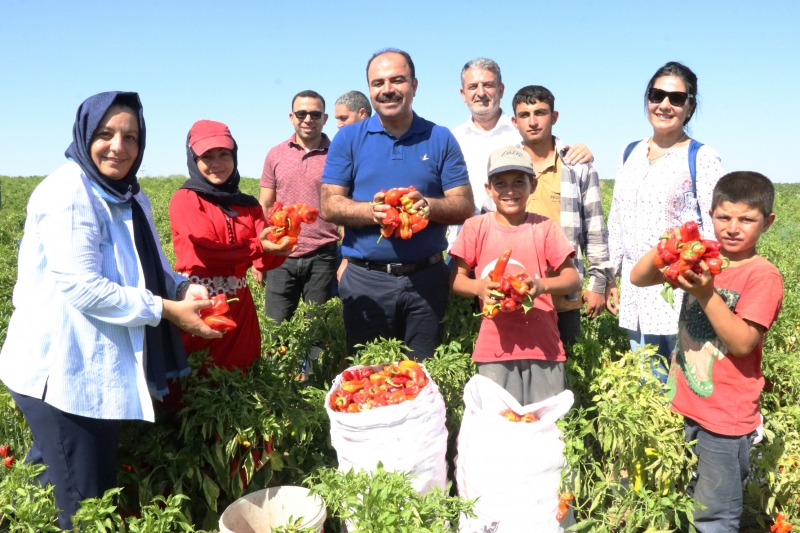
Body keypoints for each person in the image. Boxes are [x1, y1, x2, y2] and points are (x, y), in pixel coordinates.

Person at [0, 92, 221, 530]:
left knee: (47, 477)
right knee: (84, 504)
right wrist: (167, 310)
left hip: (90, 366)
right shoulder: (68, 192)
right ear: (85, 135)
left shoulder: (131, 195)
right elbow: (85, 288)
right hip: (60, 374)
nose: (118, 146)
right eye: (105, 134)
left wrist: (184, 286)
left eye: (131, 137)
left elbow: (153, 264)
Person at [630, 171, 783, 532]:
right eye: (723, 217)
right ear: (710, 213)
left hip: (725, 419)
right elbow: (639, 277)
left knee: (715, 513)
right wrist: (673, 241)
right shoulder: (701, 257)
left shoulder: (762, 275)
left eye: (747, 219)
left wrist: (705, 294)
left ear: (768, 222)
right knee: (688, 498)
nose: (732, 228)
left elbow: (743, 342)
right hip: (686, 403)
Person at [321, 48, 474, 359]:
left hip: (427, 280)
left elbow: (464, 204)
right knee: (366, 374)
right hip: (366, 280)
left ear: (414, 86)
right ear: (369, 89)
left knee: (423, 372)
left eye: (397, 80)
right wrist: (371, 211)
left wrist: (428, 207)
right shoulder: (349, 138)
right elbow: (329, 205)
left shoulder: (440, 137)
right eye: (378, 83)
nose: (387, 89)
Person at [607, 61, 724, 381]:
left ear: (690, 107)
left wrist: (705, 283)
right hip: (634, 289)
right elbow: (616, 217)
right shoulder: (628, 152)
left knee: (681, 384)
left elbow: (716, 229)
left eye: (677, 99)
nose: (665, 105)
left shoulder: (702, 157)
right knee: (644, 380)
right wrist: (609, 277)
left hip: (678, 292)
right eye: (657, 95)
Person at [450, 145, 581, 403]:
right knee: (499, 424)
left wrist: (540, 286)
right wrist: (479, 288)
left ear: (532, 186)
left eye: (519, 182)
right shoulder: (476, 227)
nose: (510, 191)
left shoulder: (544, 227)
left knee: (546, 422)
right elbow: (456, 279)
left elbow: (572, 279)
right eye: (500, 183)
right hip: (494, 348)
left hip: (543, 345)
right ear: (488, 189)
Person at [170, 120, 293, 370]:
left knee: (240, 373)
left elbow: (264, 260)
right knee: (195, 377)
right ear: (194, 160)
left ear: (234, 155)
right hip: (199, 302)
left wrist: (283, 241)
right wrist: (261, 246)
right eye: (207, 156)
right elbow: (206, 251)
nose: (216, 163)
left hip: (240, 307)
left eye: (223, 154)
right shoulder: (186, 199)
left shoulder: (248, 205)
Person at [448, 57, 594, 250]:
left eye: (488, 85)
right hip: (463, 244)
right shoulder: (451, 139)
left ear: (501, 90)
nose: (481, 93)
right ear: (463, 93)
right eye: (473, 86)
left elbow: (556, 156)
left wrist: (581, 153)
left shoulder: (523, 129)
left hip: (515, 243)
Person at [510, 85, 616, 346]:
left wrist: (598, 284)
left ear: (554, 117)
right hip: (515, 291)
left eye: (540, 113)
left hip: (564, 294)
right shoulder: (506, 167)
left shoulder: (576, 166)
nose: (533, 122)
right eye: (524, 115)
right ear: (514, 122)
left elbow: (595, 230)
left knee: (567, 371)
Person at [259, 90, 341, 324]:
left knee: (318, 331)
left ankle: (315, 364)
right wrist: (261, 256)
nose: (308, 119)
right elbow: (265, 204)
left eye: (315, 114)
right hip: (281, 253)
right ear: (291, 117)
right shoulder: (275, 154)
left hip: (323, 253)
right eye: (301, 113)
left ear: (325, 118)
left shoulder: (337, 155)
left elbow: (345, 205)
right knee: (277, 328)